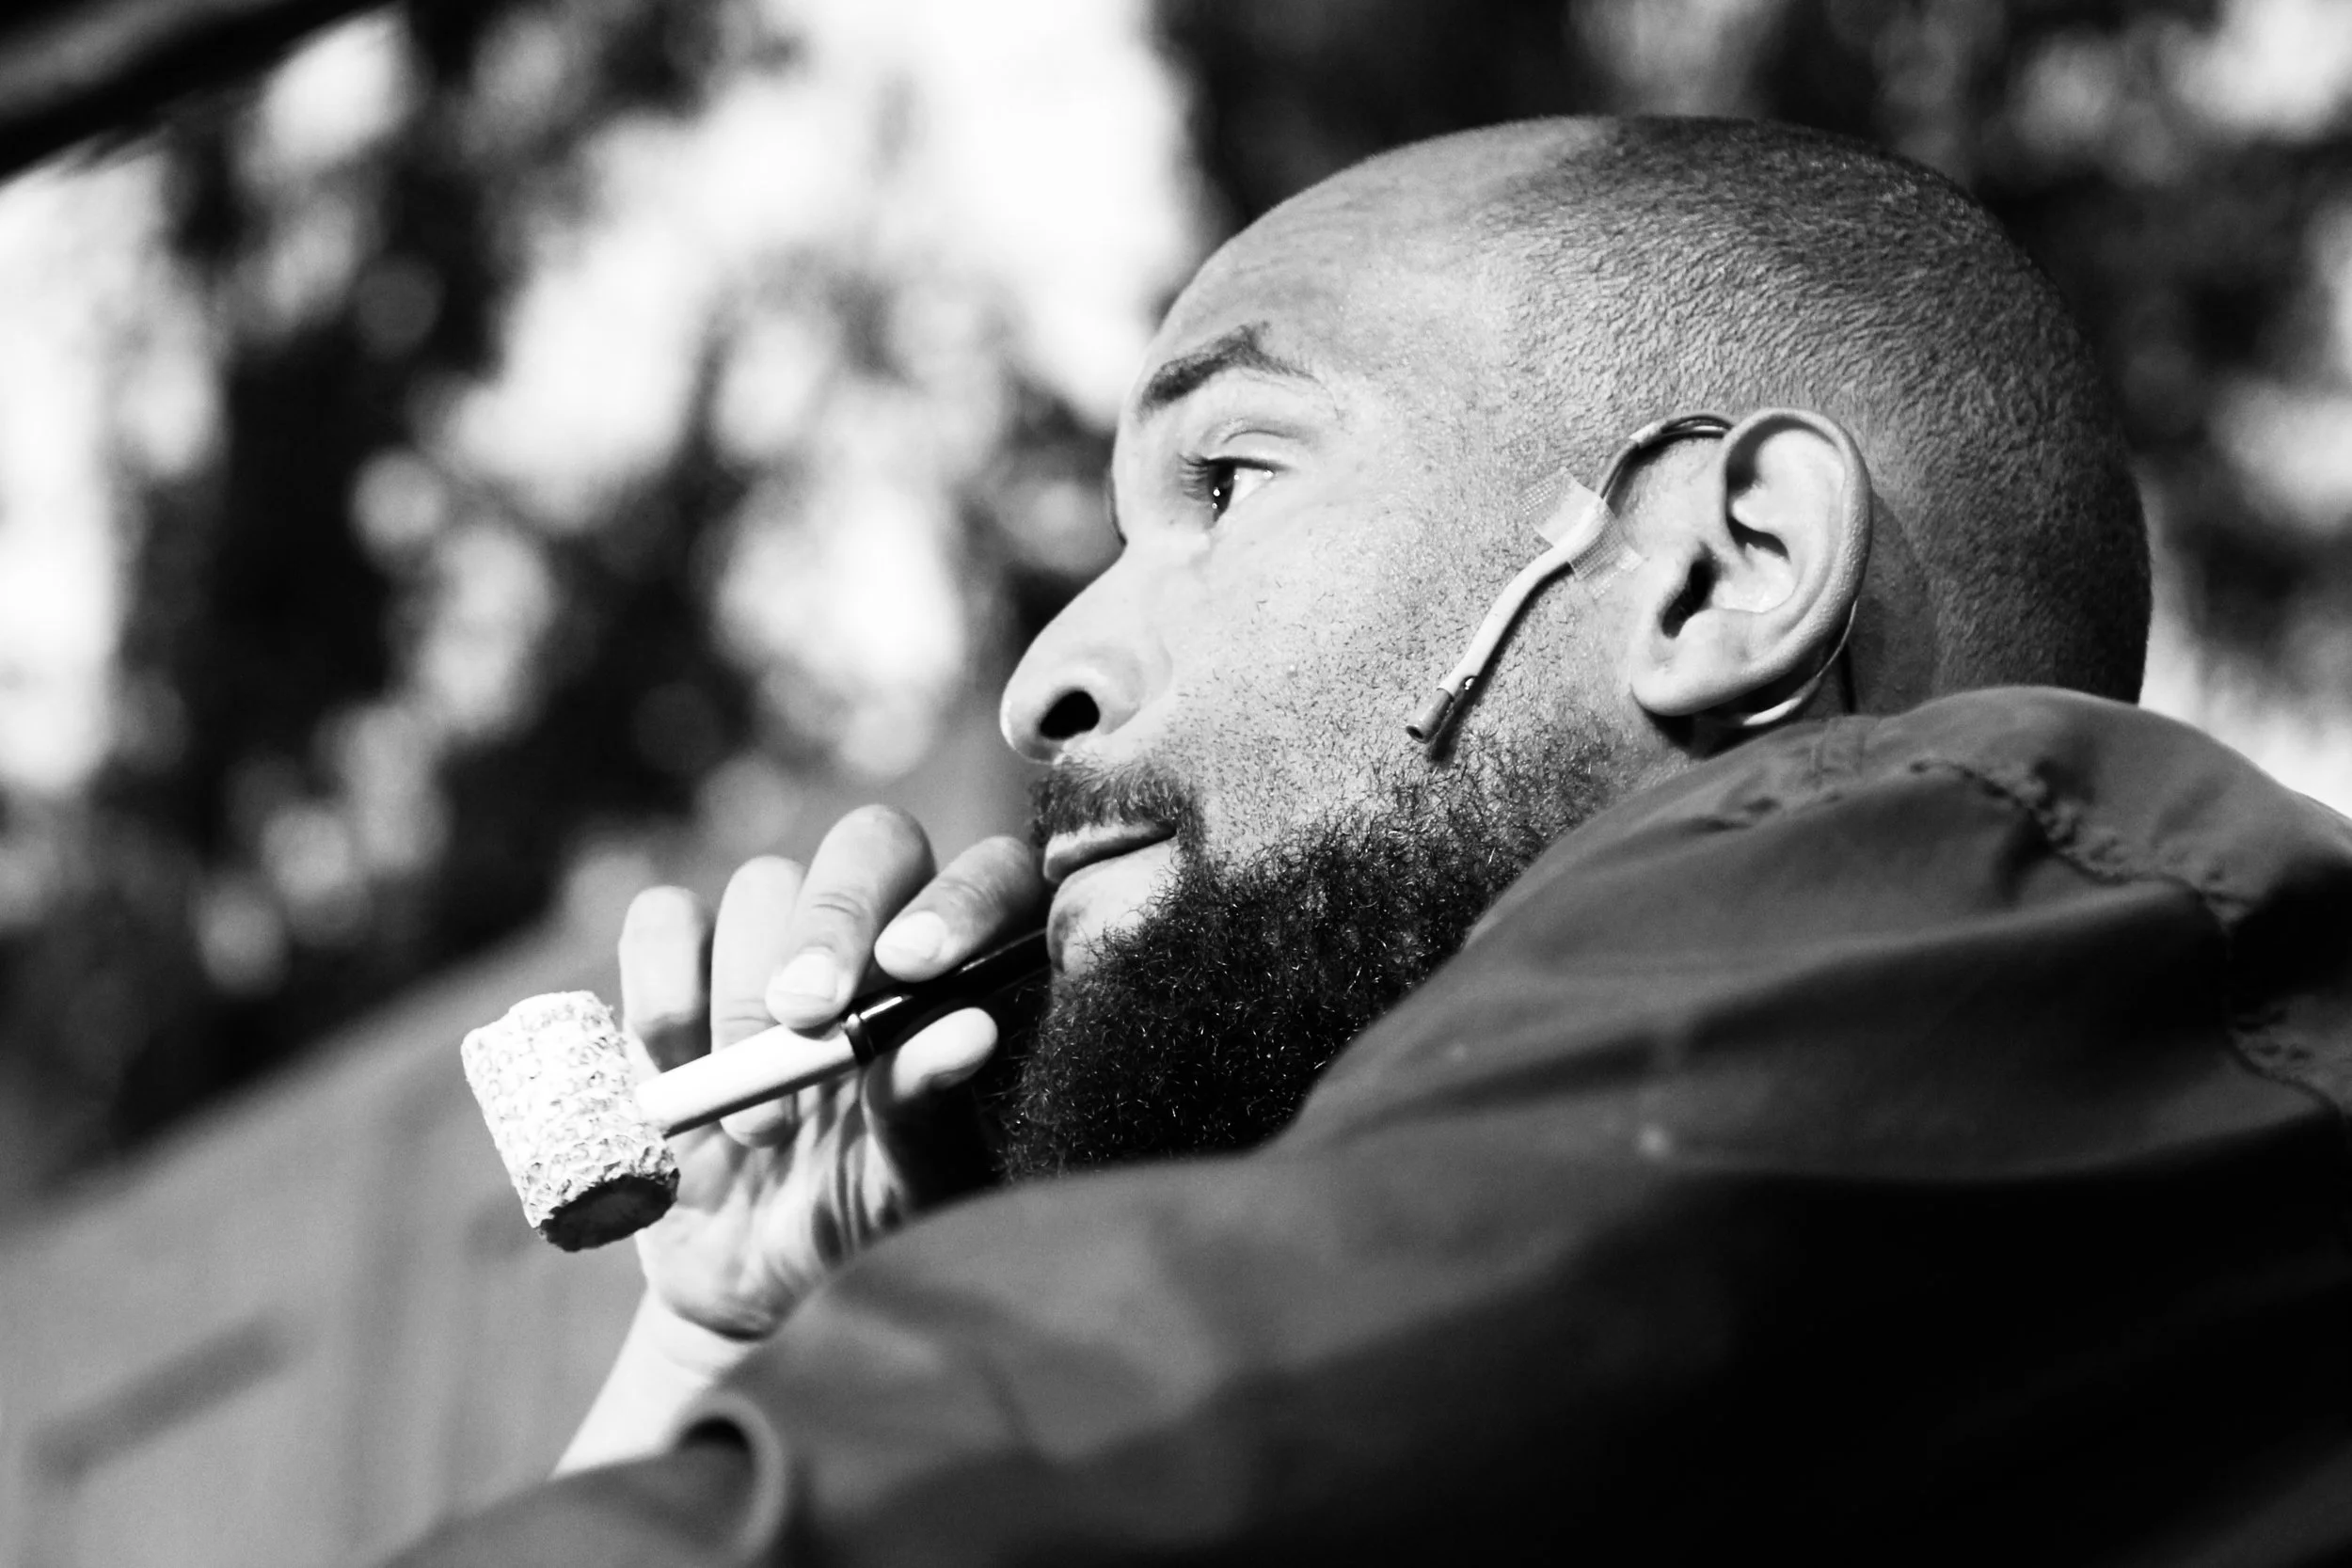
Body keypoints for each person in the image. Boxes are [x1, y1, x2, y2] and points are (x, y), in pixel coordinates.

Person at [391, 117, 2352, 1564]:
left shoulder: (1970, 875)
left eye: (1227, 476)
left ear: (1716, 572)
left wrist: (856, 1428)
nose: (1045, 679)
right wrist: (724, 1340)